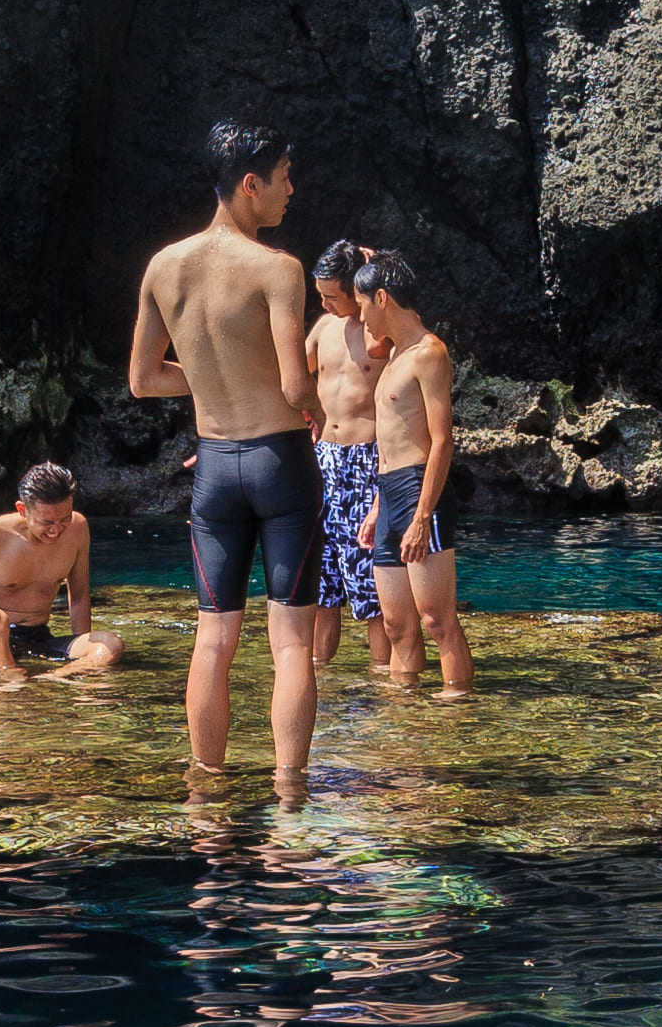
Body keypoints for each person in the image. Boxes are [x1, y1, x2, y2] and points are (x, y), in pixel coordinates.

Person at [126, 120, 330, 798]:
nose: (290, 191)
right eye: (284, 177)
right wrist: (319, 413)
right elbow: (296, 387)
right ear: (251, 185)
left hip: (213, 468)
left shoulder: (164, 266)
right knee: (292, 641)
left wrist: (215, 377)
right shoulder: (278, 268)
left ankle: (206, 792)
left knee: (213, 638)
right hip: (278, 462)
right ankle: (289, 793)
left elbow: (145, 379)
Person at [355, 252, 470, 698]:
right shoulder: (393, 355)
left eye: (364, 302)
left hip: (422, 491)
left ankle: (456, 708)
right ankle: (407, 714)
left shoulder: (429, 353)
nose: (360, 313)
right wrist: (377, 507)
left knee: (436, 621)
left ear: (382, 298)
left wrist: (422, 516)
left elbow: (441, 440)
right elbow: (390, 440)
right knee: (397, 623)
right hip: (389, 493)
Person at [0, 463, 122, 676]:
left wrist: (82, 649)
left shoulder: (78, 529)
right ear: (22, 510)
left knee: (110, 645)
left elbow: (78, 596)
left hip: (38, 636)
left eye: (64, 519)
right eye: (47, 522)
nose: (56, 530)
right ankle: (10, 683)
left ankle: (51, 679)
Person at [307, 245, 394, 682]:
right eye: (319, 295)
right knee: (323, 589)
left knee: (370, 590)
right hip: (326, 459)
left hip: (367, 459)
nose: (324, 304)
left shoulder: (382, 337)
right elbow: (290, 374)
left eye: (332, 296)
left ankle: (383, 678)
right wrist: (308, 414)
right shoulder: (323, 328)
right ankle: (321, 680)